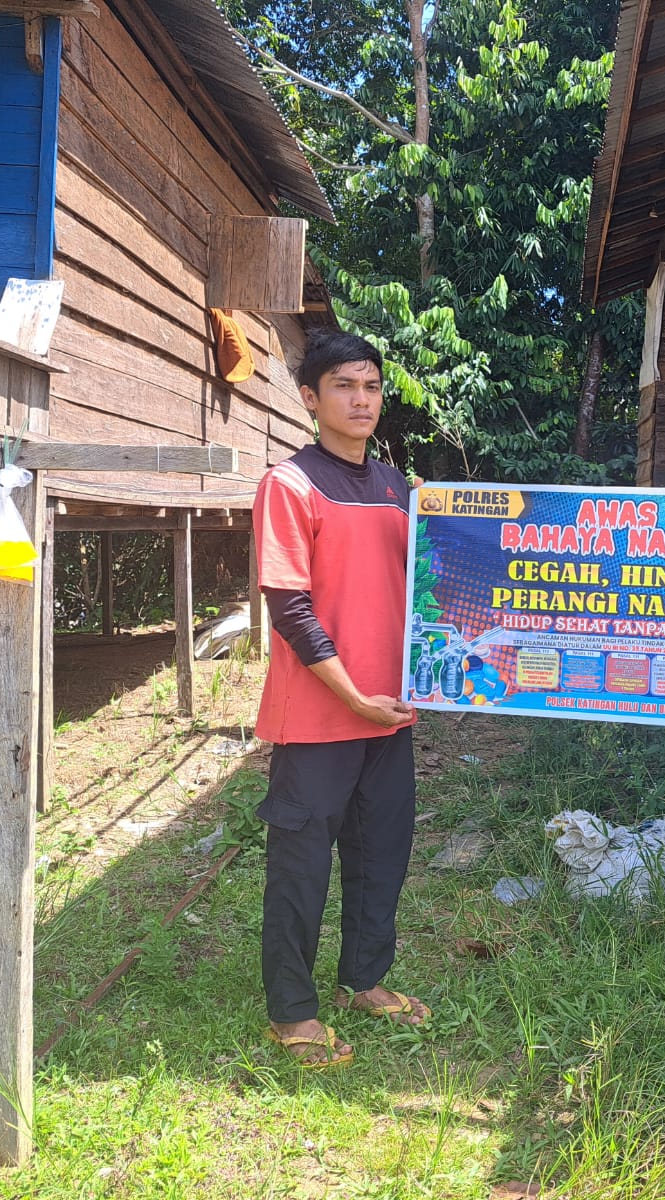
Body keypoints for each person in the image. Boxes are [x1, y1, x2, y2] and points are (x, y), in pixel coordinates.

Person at [251, 330, 429, 1068]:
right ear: (310, 398)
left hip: (389, 713)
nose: (362, 400)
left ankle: (366, 981)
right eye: (345, 387)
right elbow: (288, 605)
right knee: (302, 866)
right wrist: (351, 694)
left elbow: (441, 579)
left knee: (381, 851)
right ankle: (292, 1012)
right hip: (322, 714)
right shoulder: (290, 484)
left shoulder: (398, 487)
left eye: (372, 387)